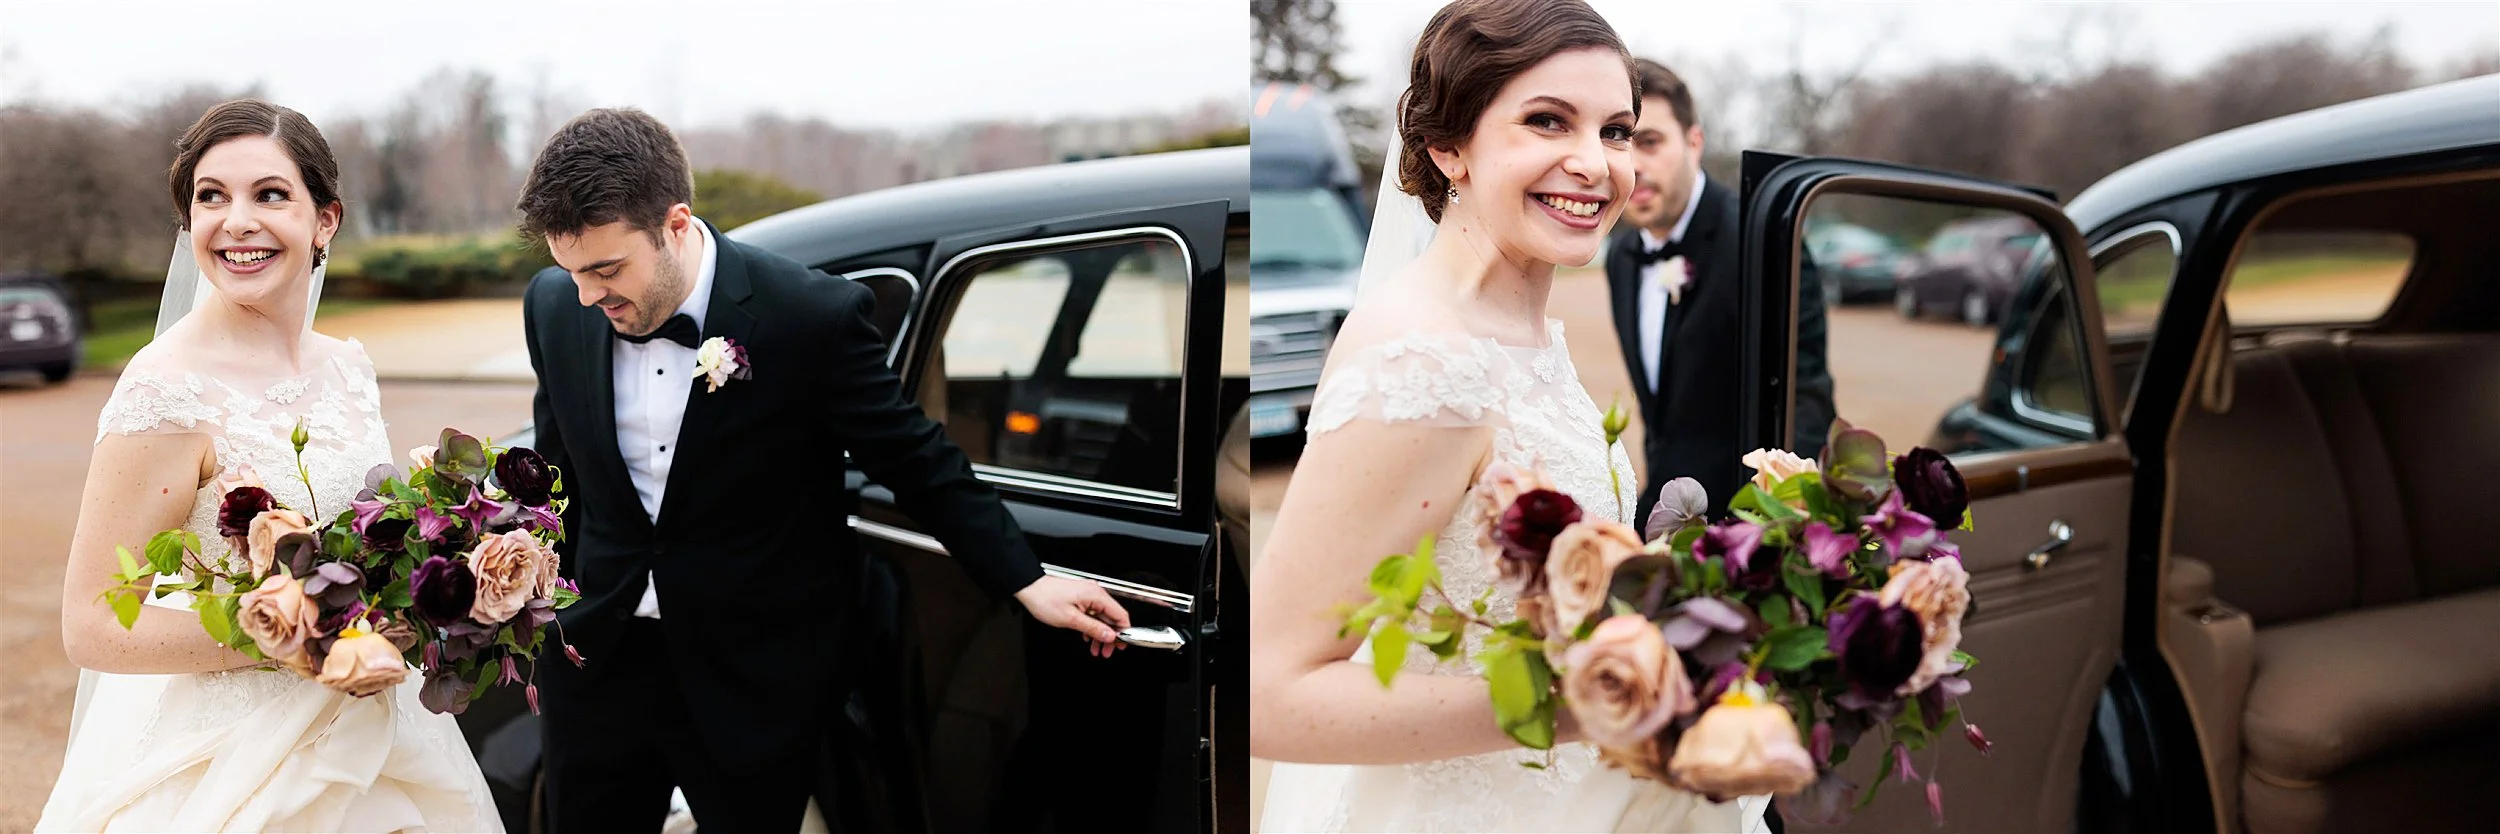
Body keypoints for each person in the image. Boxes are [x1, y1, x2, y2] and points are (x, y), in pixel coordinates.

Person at [513, 108, 1134, 832]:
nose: (588, 295)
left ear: (677, 225)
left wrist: (1026, 578)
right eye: (570, 272)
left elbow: (914, 457)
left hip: (753, 679)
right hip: (597, 667)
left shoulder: (810, 316)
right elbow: (551, 478)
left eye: (606, 270)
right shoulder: (553, 306)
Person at [1248, 2, 1771, 830]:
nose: (1594, 164)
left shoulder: (1526, 332)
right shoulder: (1422, 361)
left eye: (1617, 131)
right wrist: (1595, 699)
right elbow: (1270, 695)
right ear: (1447, 145)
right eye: (1546, 121)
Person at [39, 99, 501, 832]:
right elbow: (90, 625)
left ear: (326, 221)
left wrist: (418, 602)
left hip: (382, 737)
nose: (237, 221)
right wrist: (290, 634)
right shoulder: (166, 388)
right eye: (210, 197)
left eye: (271, 194)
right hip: (229, 765)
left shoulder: (349, 367)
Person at [1605, 59, 1836, 520]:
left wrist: (1769, 530)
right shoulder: (1621, 256)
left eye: (1649, 141)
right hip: (1666, 513)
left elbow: (1805, 401)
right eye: (1617, 141)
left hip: (1746, 526)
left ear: (1695, 142)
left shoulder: (1762, 239)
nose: (1633, 165)